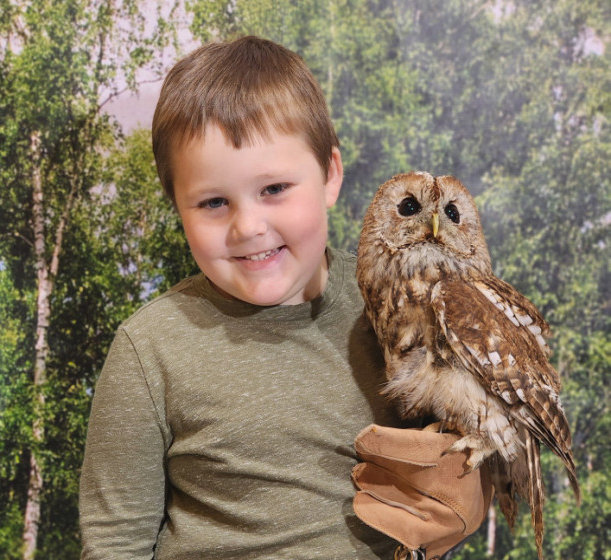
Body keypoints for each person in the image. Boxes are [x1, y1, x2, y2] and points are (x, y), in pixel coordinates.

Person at [79, 35, 491, 560]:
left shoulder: (415, 311)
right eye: (213, 202)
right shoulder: (150, 349)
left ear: (329, 176)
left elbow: (448, 480)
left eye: (274, 189)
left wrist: (468, 494)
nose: (248, 226)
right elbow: (114, 544)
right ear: (178, 207)